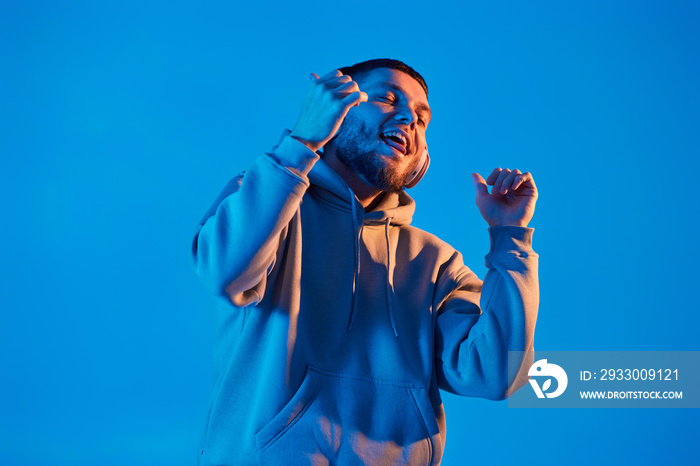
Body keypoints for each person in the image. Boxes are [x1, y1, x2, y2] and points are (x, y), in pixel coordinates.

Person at [191, 58, 539, 465]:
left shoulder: (436, 262)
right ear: (335, 112)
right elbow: (226, 272)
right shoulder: (266, 201)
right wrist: (302, 140)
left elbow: (496, 373)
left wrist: (510, 237)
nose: (409, 118)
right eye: (388, 98)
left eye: (422, 119)